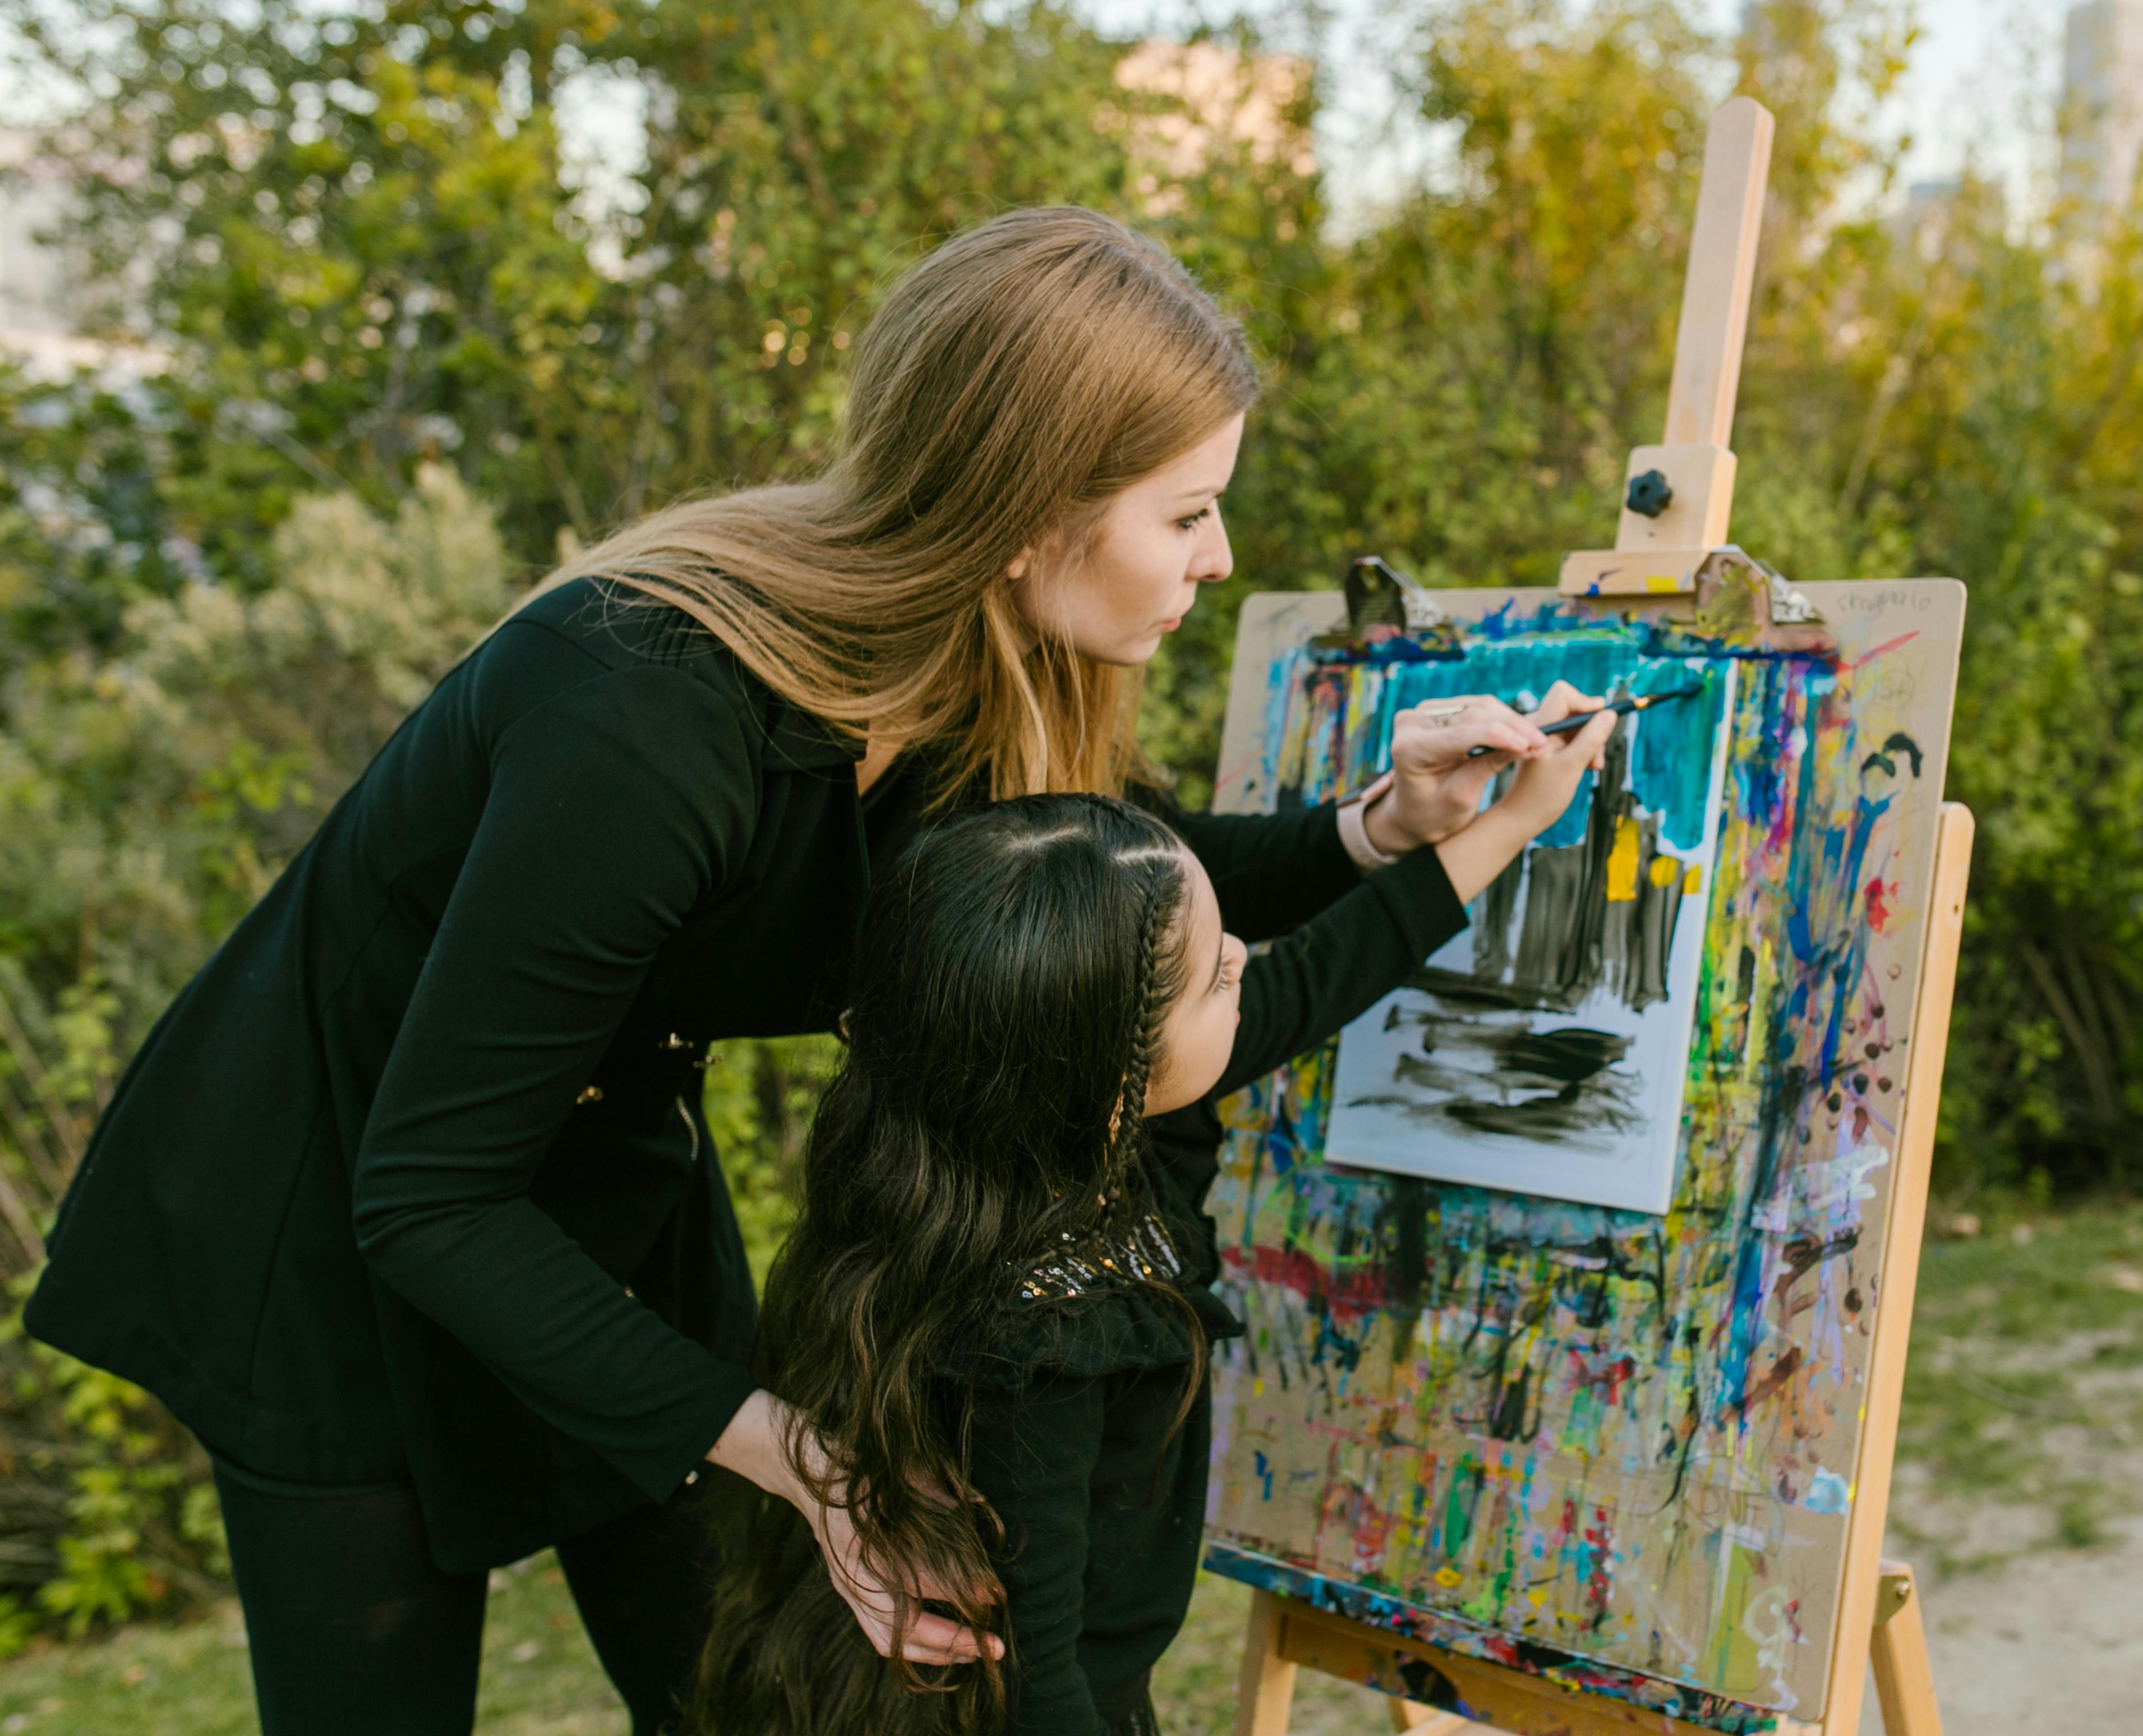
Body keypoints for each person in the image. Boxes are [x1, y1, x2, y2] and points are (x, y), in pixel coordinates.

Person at [22, 205, 1560, 1735]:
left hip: (609, 1174)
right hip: (327, 1220)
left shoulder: (957, 655)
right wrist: (803, 1458)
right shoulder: (643, 710)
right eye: (1185, 512)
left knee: (732, 1698)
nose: (1220, 559)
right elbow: (426, 1191)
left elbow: (1112, 892)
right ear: (1029, 507)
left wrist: (1370, 830)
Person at [689, 701, 1614, 1736]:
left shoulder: (1055, 1129)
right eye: (1218, 974)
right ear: (1115, 1062)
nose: (1246, 969)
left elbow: (1323, 969)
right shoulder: (1034, 1337)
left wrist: (1516, 819)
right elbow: (1029, 1684)